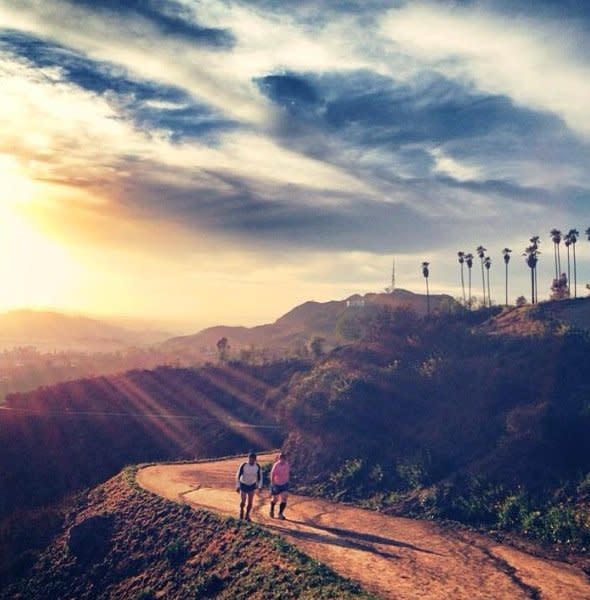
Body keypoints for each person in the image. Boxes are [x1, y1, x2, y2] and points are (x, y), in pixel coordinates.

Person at [236, 452, 263, 521]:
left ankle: (247, 515)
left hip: (252, 485)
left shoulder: (257, 466)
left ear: (255, 460)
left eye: (252, 460)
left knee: (250, 502)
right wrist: (238, 486)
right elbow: (238, 475)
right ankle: (241, 511)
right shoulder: (244, 465)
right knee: (243, 500)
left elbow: (260, 477)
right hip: (243, 484)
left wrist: (260, 486)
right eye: (249, 459)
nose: (251, 461)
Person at [269, 452, 290, 520]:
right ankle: (272, 509)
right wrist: (273, 484)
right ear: (279, 459)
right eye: (281, 459)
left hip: (284, 484)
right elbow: (272, 475)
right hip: (276, 484)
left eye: (284, 459)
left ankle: (280, 514)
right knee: (275, 499)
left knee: (284, 498)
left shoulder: (287, 464)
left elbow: (287, 473)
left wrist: (287, 481)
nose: (282, 460)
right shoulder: (276, 465)